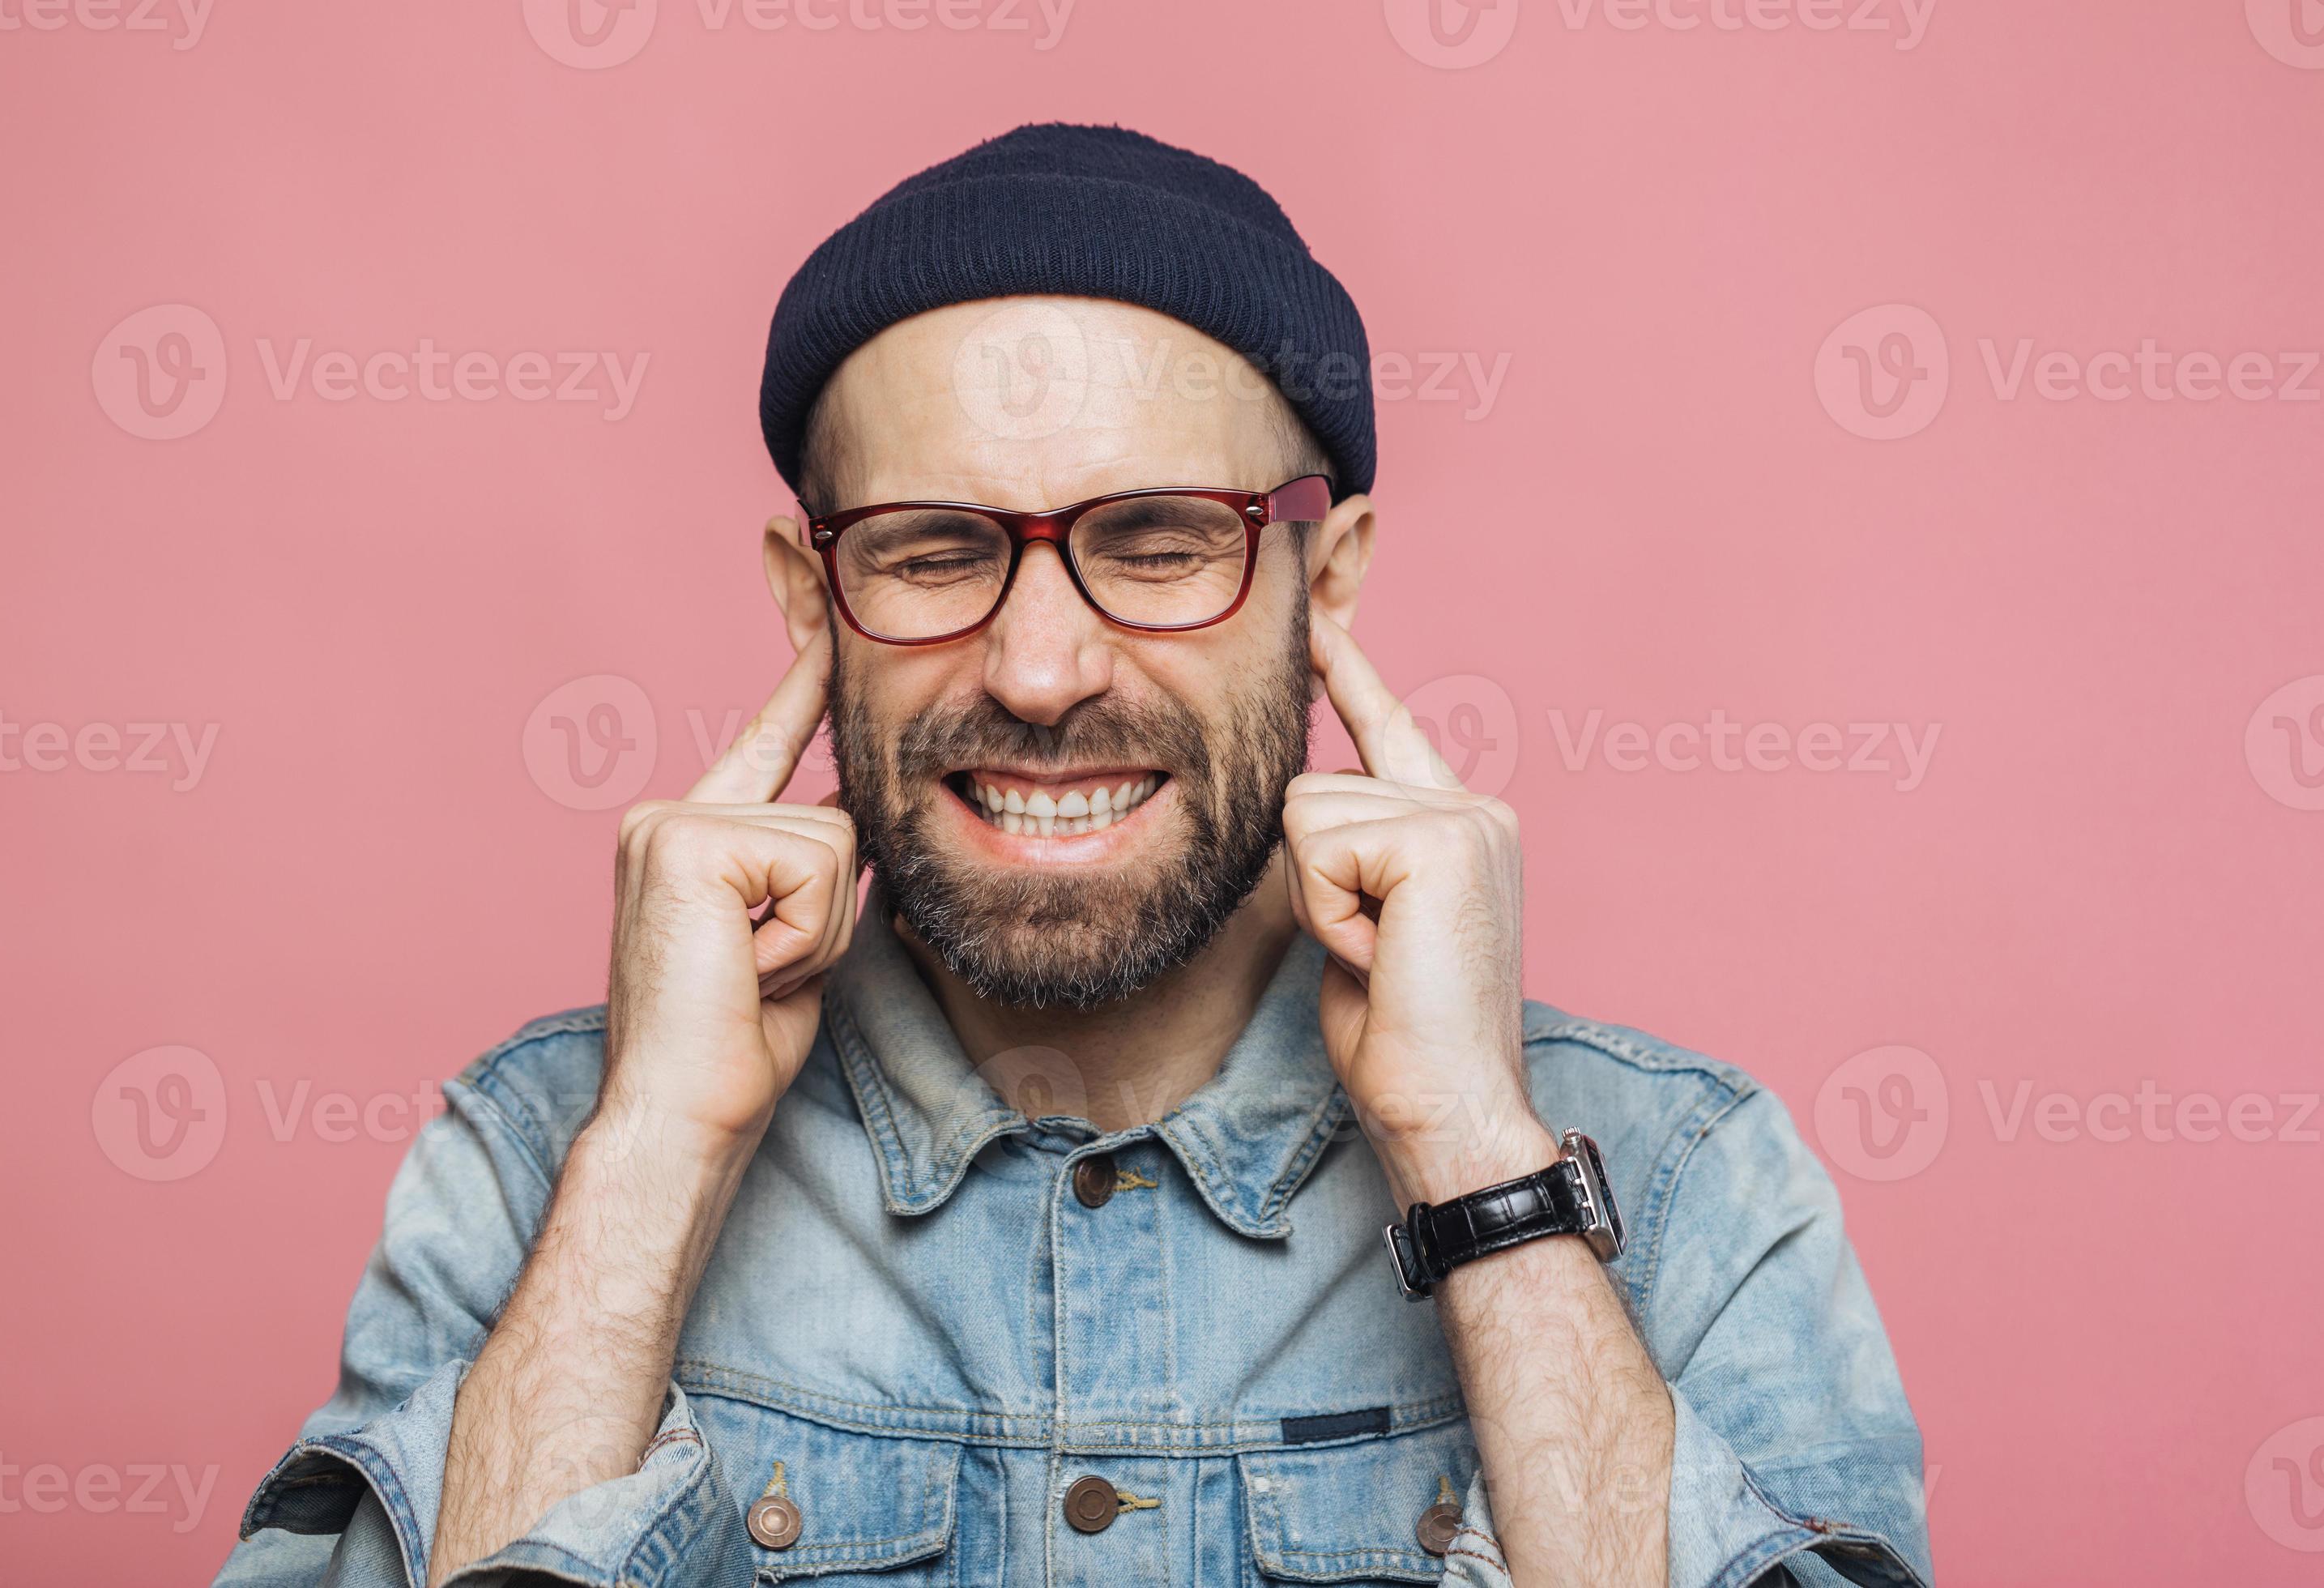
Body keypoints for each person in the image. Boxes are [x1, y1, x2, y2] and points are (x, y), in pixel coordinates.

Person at [213, 122, 1930, 1588]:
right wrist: (654, 1154)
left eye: (1162, 543)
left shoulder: (1681, 1182)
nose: (1040, 671)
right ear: (814, 600)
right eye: (931, 549)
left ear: (1325, 583)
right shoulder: (541, 1163)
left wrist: (1476, 1154)